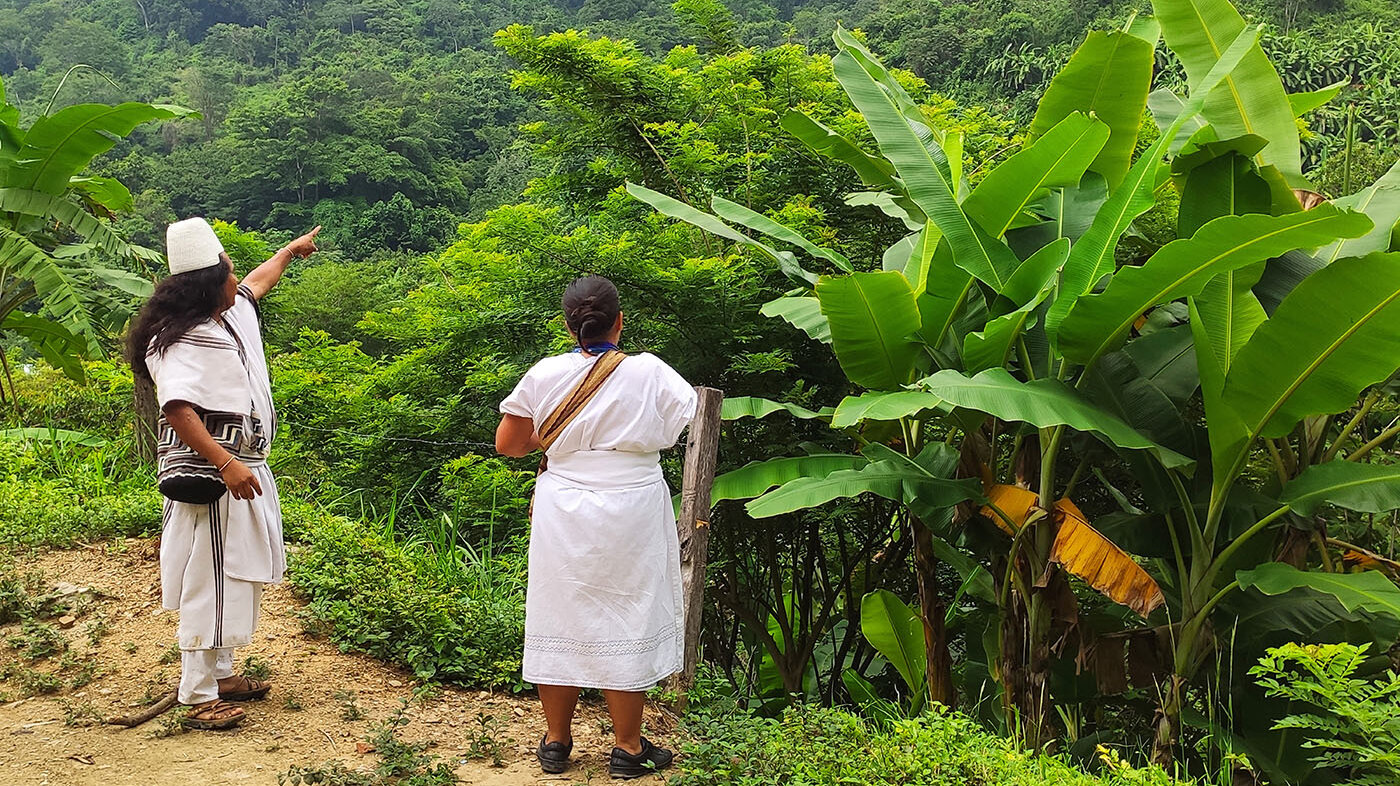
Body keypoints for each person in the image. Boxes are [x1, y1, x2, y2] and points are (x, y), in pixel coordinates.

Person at [496, 276, 697, 779]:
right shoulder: (651, 372)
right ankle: (628, 748)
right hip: (633, 506)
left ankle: (556, 743)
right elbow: (678, 426)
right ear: (619, 321)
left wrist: (568, 443)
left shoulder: (543, 375)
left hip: (564, 507)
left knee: (559, 611)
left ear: (569, 326)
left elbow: (509, 444)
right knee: (628, 614)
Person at [126, 218, 320, 730]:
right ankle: (196, 694)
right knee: (208, 578)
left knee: (235, 576)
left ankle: (223, 673)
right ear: (210, 286)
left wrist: (288, 250)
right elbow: (177, 409)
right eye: (228, 274)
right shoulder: (180, 340)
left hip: (243, 474)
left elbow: (258, 282)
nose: (239, 282)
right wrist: (226, 462)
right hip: (213, 482)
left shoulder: (232, 318)